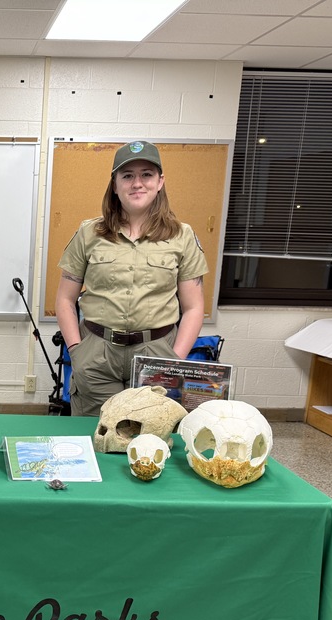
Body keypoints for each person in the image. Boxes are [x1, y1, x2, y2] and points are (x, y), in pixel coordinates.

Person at [55, 140, 208, 417]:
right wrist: (77, 350)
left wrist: (175, 360)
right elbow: (65, 299)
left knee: (149, 441)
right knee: (94, 435)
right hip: (97, 353)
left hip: (157, 353)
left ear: (160, 182)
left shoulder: (182, 236)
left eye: (146, 174)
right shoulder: (89, 233)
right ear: (115, 184)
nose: (137, 183)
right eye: (127, 176)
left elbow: (194, 308)